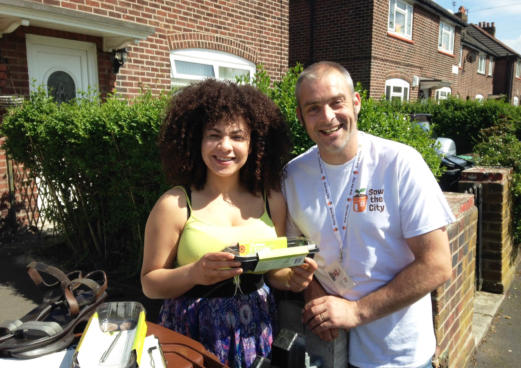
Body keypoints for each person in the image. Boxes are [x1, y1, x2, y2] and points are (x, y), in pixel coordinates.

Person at [282, 61, 455, 368]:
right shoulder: (293, 176)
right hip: (328, 351)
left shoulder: (400, 163)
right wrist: (312, 290)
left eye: (337, 103)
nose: (328, 117)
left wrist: (356, 311)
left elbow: (437, 265)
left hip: (397, 356)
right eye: (313, 108)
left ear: (356, 103)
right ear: (300, 116)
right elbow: (298, 257)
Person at [141, 79, 317, 368]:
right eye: (214, 135)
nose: (225, 146)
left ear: (254, 143)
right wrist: (194, 273)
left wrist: (292, 278)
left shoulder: (272, 199)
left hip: (256, 328)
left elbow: (274, 273)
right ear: (196, 140)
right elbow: (149, 283)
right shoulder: (175, 205)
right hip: (193, 332)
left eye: (238, 136)